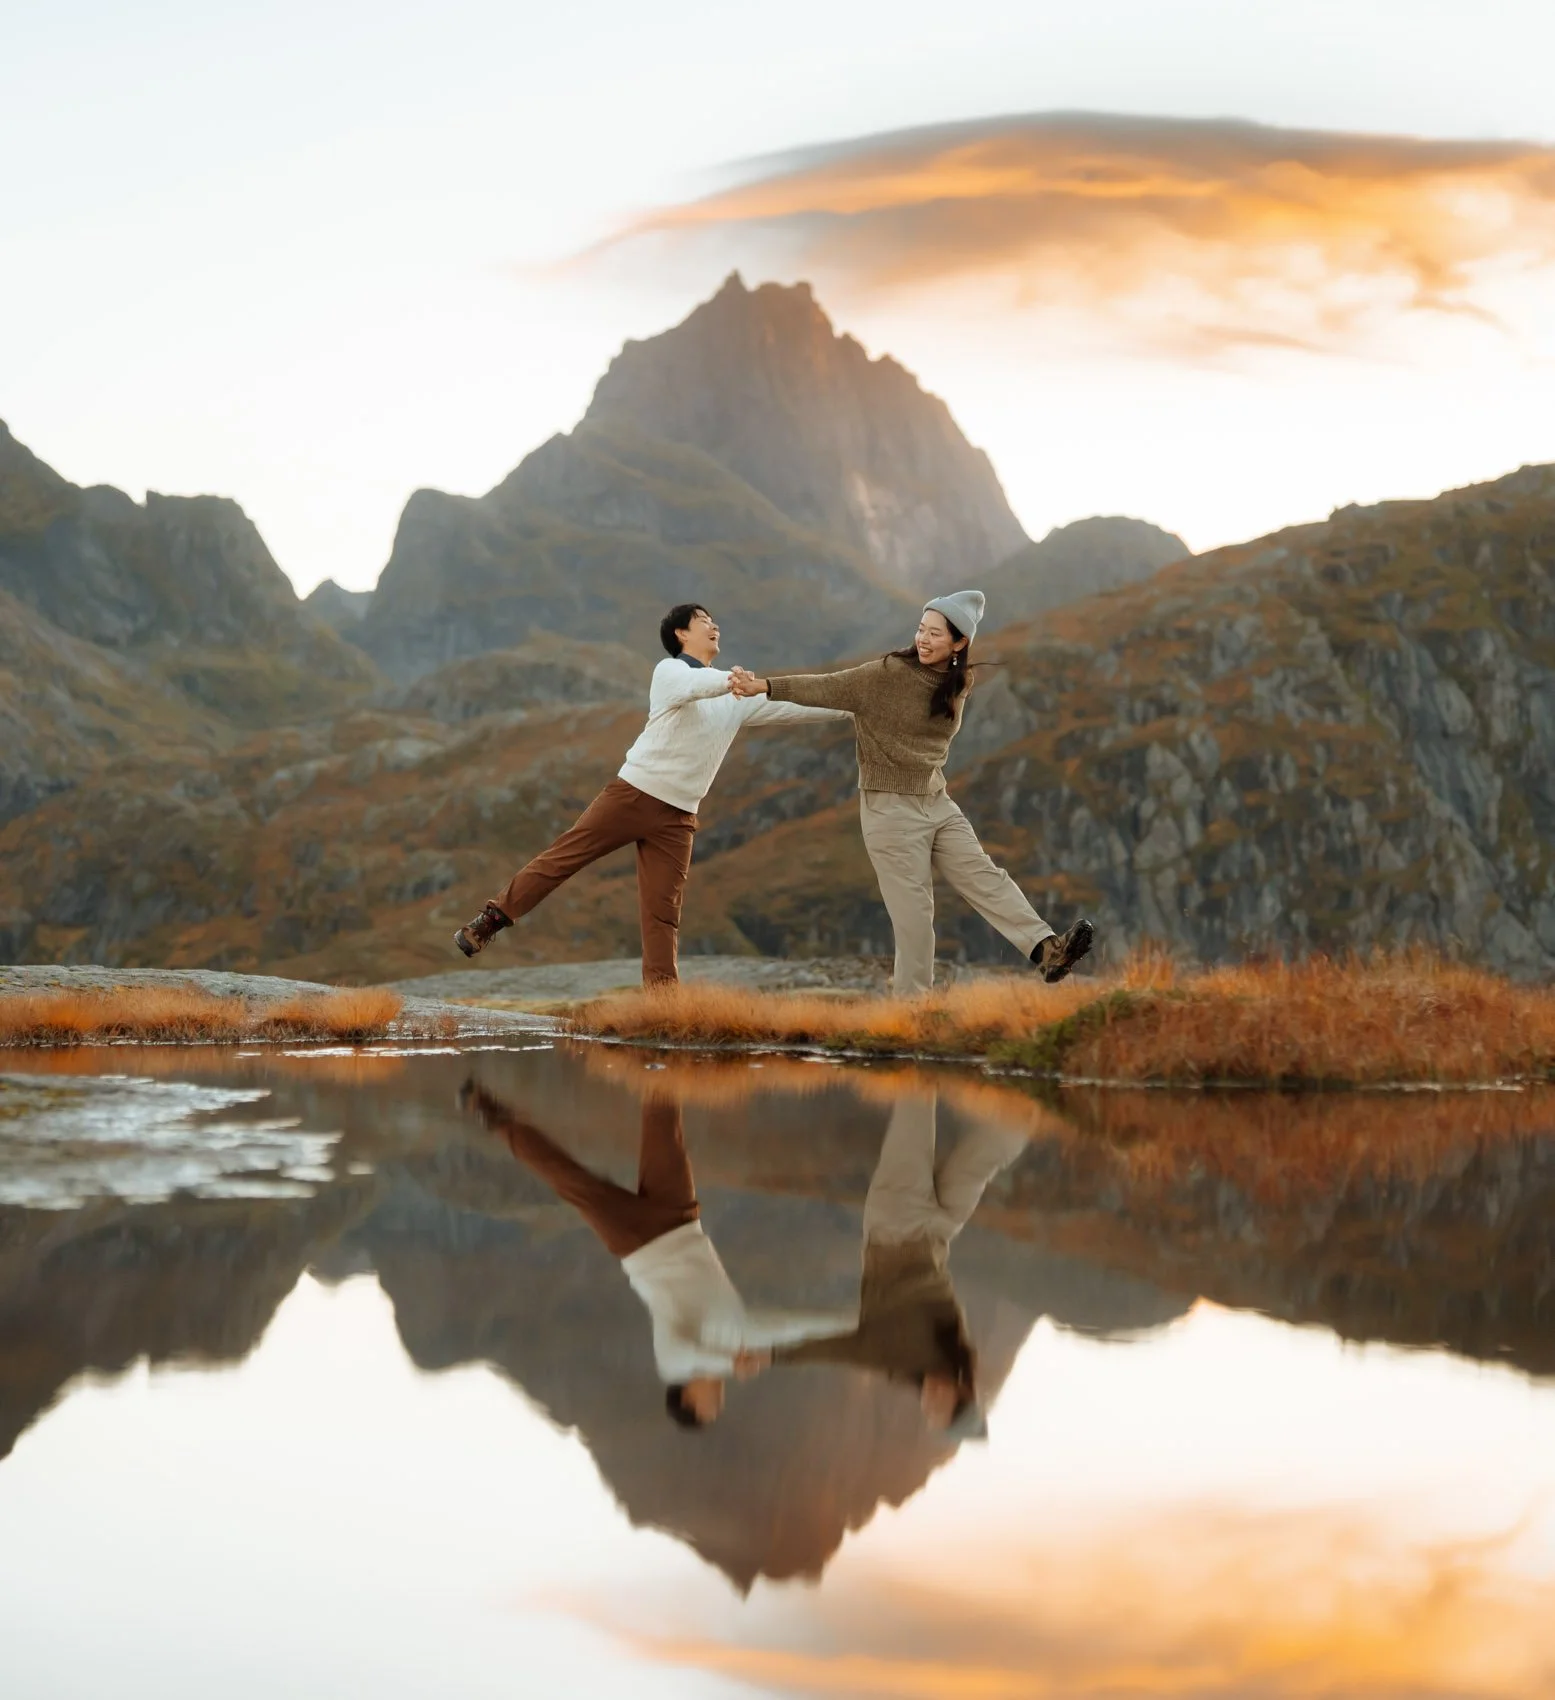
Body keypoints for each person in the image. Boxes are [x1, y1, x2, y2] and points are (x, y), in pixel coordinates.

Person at [453, 603, 849, 984]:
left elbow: (795, 706)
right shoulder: (671, 672)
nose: (714, 626)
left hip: (679, 819)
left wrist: (856, 706)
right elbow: (697, 685)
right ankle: (490, 920)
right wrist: (735, 681)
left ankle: (662, 1006)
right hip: (633, 794)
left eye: (715, 621)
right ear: (681, 633)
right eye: (703, 621)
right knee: (563, 859)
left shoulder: (735, 695)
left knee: (663, 914)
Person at [729, 590, 1094, 997]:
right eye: (921, 629)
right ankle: (911, 1014)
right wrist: (762, 686)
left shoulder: (960, 682)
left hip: (936, 800)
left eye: (935, 634)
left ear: (959, 644)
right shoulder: (886, 675)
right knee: (916, 918)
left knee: (987, 877)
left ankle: (1048, 952)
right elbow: (829, 686)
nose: (923, 639)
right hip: (889, 811)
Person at [457, 1079, 851, 1427]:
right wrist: (855, 1326)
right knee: (664, 1120)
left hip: (637, 1241)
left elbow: (684, 1349)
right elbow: (794, 1328)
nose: (719, 1401)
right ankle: (663, 1002)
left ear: (687, 1399)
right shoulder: (739, 1343)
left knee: (567, 1178)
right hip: (679, 1217)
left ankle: (489, 1112)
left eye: (710, 1407)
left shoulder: (676, 1364)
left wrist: (735, 1363)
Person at [769, 1089, 1028, 1438]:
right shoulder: (957, 1354)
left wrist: (773, 1355)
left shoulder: (894, 1361)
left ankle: (922, 1037)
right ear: (963, 1392)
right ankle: (1043, 1105)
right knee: (989, 1151)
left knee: (916, 1112)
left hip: (897, 1218)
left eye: (928, 1409)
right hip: (937, 1232)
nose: (929, 1400)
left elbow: (832, 1350)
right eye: (940, 1405)